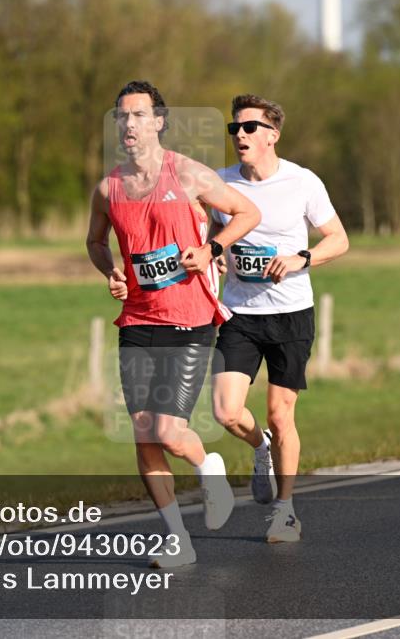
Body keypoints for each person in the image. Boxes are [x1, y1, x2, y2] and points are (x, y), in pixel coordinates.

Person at [86, 81, 261, 567]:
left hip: (189, 316)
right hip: (137, 319)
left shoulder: (186, 173)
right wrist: (111, 271)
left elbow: (247, 212)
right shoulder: (108, 189)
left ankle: (209, 466)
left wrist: (210, 249)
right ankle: (177, 540)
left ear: (159, 122)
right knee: (143, 432)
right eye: (122, 116)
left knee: (167, 430)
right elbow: (95, 242)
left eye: (139, 115)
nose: (129, 124)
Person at [209, 94, 349, 543]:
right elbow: (213, 230)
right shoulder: (220, 182)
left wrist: (300, 258)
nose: (240, 135)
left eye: (249, 127)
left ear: (273, 135)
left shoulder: (302, 181)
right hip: (240, 313)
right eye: (235, 128)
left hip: (291, 314)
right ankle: (260, 447)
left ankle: (285, 511)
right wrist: (216, 252)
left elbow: (339, 239)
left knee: (279, 413)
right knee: (226, 411)